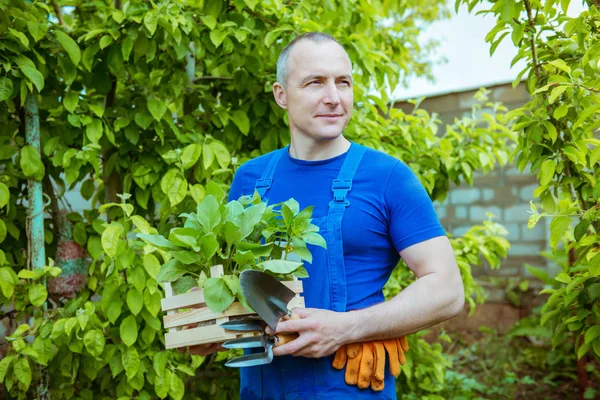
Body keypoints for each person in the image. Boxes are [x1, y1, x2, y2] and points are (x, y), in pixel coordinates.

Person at [188, 32, 465, 399]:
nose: (333, 97)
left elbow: (447, 289)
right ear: (281, 95)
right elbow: (242, 288)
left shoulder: (387, 177)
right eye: (315, 82)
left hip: (350, 389)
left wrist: (348, 328)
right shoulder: (251, 180)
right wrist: (212, 326)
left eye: (343, 82)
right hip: (263, 390)